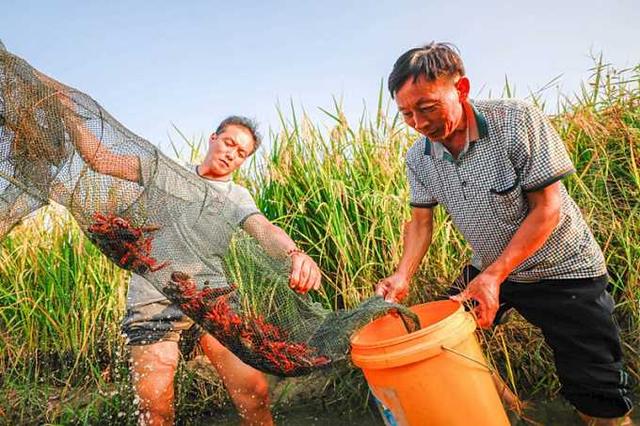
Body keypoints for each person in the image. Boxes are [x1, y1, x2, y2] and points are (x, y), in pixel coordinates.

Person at [375, 42, 633, 425]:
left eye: (427, 108)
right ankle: (515, 412)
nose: (418, 123)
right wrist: (402, 275)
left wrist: (494, 276)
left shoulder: (516, 122)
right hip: (488, 271)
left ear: (460, 89)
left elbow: (548, 209)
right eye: (406, 113)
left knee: (596, 387)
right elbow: (420, 223)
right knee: (440, 342)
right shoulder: (419, 157)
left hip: (564, 270)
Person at [64, 109, 322, 425]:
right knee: (156, 413)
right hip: (153, 303)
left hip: (210, 303)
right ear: (213, 138)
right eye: (229, 143)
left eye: (242, 154)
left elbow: (265, 230)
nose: (232, 155)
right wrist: (65, 112)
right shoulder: (167, 173)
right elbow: (101, 160)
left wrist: (295, 254)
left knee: (255, 395)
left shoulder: (237, 197)